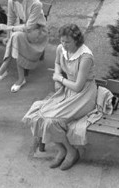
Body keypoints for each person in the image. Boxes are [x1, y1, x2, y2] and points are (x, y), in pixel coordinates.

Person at [22, 24, 97, 171]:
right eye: (62, 41)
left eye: (67, 42)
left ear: (77, 40)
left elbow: (78, 86)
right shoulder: (61, 49)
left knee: (52, 121)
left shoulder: (85, 57)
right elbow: (57, 63)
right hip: (67, 90)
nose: (64, 44)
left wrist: (60, 79)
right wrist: (57, 78)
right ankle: (61, 149)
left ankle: (71, 151)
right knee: (39, 116)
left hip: (83, 95)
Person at [0, 0, 48, 92]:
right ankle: (20, 78)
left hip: (38, 32)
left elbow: (29, 27)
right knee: (16, 37)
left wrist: (9, 28)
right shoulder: (11, 1)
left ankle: (5, 66)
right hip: (22, 30)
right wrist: (7, 36)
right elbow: (11, 19)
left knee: (16, 36)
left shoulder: (35, 3)